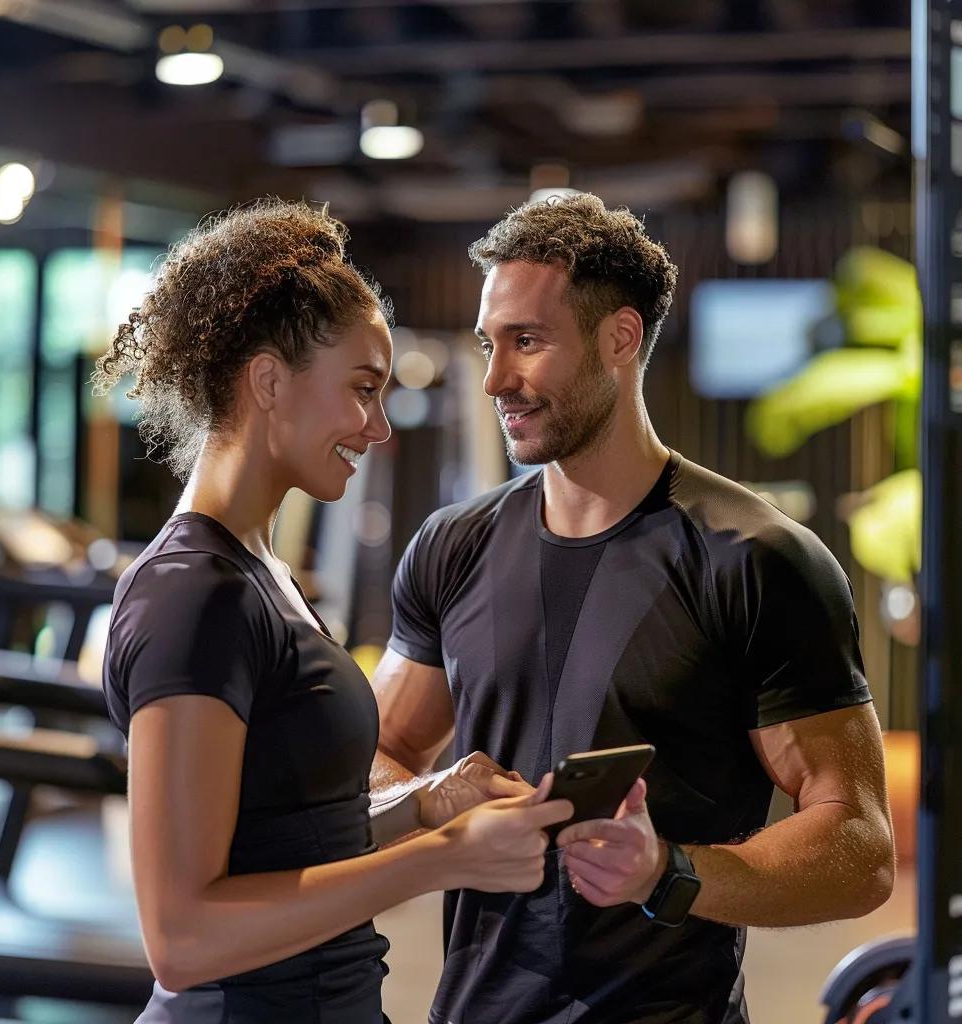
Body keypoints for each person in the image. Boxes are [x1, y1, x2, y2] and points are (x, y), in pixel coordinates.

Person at [370, 194, 896, 1024]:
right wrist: (436, 798)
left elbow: (859, 849)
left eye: (528, 342)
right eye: (489, 344)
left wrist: (670, 872)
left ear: (619, 339)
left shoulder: (756, 560)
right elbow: (377, 753)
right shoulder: (453, 545)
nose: (497, 378)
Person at [95, 199, 572, 1024]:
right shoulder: (192, 594)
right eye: (361, 390)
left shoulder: (258, 573)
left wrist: (426, 804)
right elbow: (182, 936)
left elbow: (288, 842)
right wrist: (443, 858)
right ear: (269, 381)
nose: (379, 426)